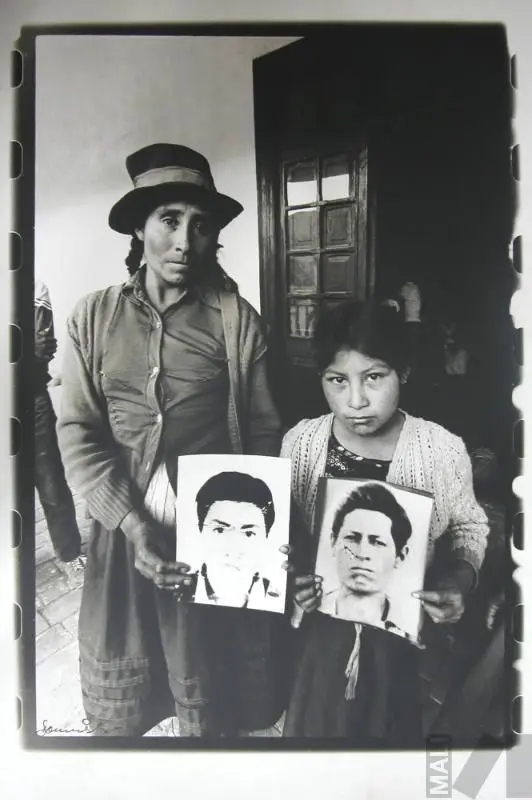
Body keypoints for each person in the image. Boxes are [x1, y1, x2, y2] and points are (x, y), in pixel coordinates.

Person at [57, 144, 288, 737]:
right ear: (139, 227)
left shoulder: (237, 320)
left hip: (216, 531)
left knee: (212, 690)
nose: (186, 240)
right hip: (124, 527)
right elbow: (79, 432)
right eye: (170, 220)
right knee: (130, 686)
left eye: (201, 224)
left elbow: (264, 435)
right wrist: (134, 529)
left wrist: (262, 541)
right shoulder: (92, 317)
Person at [280, 299, 489, 742]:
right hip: (319, 639)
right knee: (316, 738)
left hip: (402, 644)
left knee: (389, 743)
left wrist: (458, 580)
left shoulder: (441, 449)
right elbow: (292, 535)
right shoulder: (300, 444)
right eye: (337, 381)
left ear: (405, 372)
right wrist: (295, 576)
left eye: (374, 377)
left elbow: (469, 528)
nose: (356, 400)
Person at [320, 482, 412, 639]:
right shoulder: (311, 613)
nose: (362, 553)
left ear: (400, 556)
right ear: (333, 542)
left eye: (377, 542)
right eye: (351, 538)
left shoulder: (409, 630)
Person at [34, 278, 84, 567]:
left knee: (51, 479)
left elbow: (42, 350)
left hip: (32, 397)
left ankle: (70, 554)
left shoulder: (33, 286)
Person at [189, 471, 282, 611]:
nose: (233, 550)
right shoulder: (179, 593)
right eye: (220, 530)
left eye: (249, 534)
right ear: (200, 532)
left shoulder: (279, 600)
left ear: (266, 539)